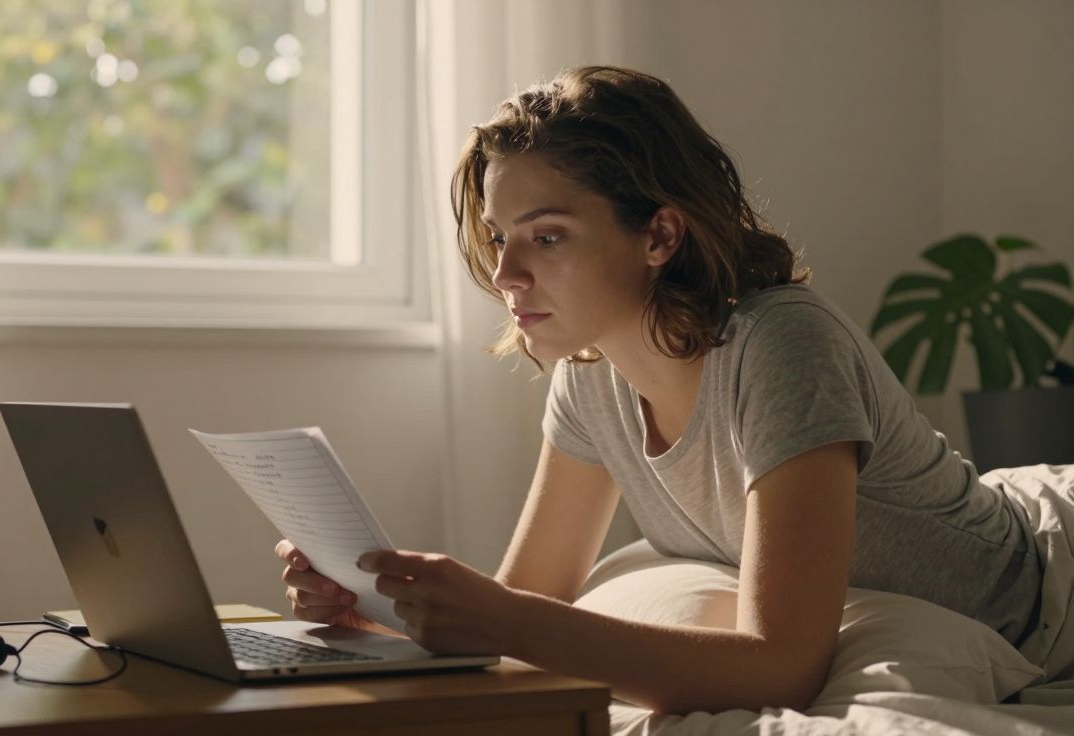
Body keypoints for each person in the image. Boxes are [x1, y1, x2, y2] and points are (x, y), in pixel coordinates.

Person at [273, 65, 1055, 714]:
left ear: (659, 234)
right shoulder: (591, 378)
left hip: (1047, 594)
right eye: (500, 237)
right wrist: (370, 618)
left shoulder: (781, 346)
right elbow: (525, 602)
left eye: (546, 237)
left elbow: (782, 670)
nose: (507, 275)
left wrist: (505, 618)